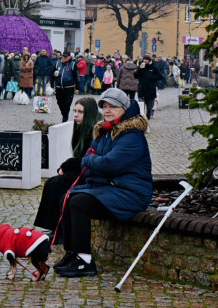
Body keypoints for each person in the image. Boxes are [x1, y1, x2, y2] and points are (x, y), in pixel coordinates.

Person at [54, 88, 152, 278]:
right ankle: (73, 253)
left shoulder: (131, 135)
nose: (107, 110)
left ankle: (85, 261)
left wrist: (90, 161)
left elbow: (109, 163)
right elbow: (93, 158)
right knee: (67, 197)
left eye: (113, 107)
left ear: (124, 108)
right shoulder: (105, 131)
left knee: (79, 203)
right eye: (104, 106)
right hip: (110, 188)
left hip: (131, 194)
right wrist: (92, 161)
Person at [33, 96, 101, 236]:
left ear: (88, 113)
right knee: (53, 183)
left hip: (91, 174)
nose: (75, 115)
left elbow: (88, 159)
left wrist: (67, 165)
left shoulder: (95, 131)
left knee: (57, 185)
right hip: (83, 169)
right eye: (75, 111)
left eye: (80, 112)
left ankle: (60, 230)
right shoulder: (81, 128)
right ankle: (53, 226)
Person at [135, 54, 165, 120]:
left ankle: (147, 120)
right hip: (141, 90)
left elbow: (161, 77)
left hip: (150, 90)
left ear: (149, 60)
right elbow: (135, 76)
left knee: (149, 107)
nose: (145, 61)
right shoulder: (141, 66)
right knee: (141, 107)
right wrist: (140, 69)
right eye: (144, 59)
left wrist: (152, 77)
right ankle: (141, 121)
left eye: (146, 59)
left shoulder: (153, 67)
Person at [52, 51, 78, 123]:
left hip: (69, 88)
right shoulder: (57, 63)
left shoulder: (73, 64)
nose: (64, 58)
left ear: (69, 57)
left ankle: (65, 117)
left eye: (65, 57)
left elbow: (76, 76)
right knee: (59, 102)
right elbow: (52, 74)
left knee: (67, 103)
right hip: (59, 87)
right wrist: (54, 75)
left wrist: (78, 88)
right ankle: (64, 114)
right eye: (63, 56)